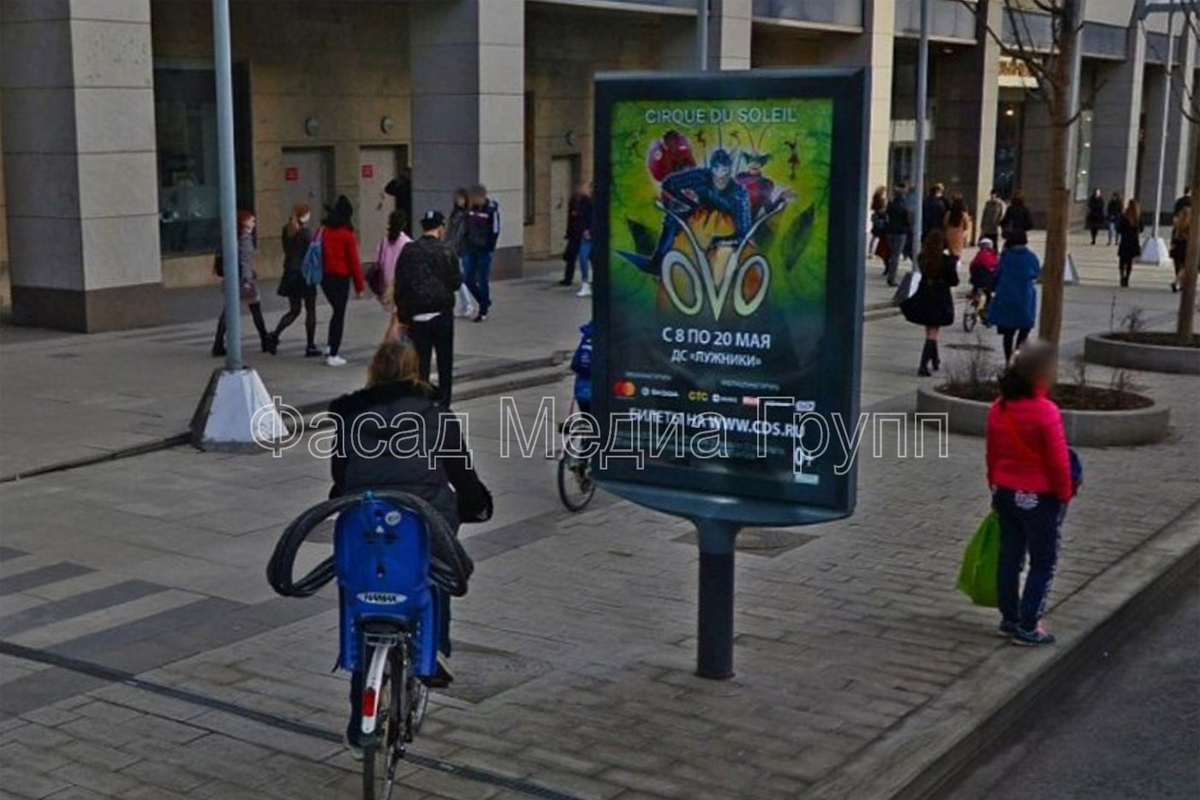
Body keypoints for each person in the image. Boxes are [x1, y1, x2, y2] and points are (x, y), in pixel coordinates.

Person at [329, 338, 492, 753]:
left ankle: (360, 714)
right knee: (437, 569)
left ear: (373, 372)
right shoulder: (437, 416)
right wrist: (477, 505)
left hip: (365, 526)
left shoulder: (351, 418)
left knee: (363, 600)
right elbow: (463, 476)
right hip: (423, 524)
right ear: (415, 372)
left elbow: (341, 476)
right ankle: (435, 649)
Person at [986, 340, 1073, 646]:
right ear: (1041, 375)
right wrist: (1064, 493)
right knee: (1043, 561)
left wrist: (993, 484)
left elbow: (992, 452)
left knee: (1009, 557)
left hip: (1005, 492)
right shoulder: (1046, 411)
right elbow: (1058, 460)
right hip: (1040, 497)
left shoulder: (999, 408)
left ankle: (1009, 618)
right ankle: (1028, 624)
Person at [392, 210, 464, 404]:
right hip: (442, 314)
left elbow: (400, 284)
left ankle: (421, 402)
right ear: (440, 228)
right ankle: (444, 402)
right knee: (444, 362)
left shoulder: (409, 251)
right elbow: (457, 282)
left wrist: (403, 316)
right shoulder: (446, 250)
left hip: (416, 316)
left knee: (420, 364)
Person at [212, 209, 272, 358]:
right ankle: (264, 339)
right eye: (252, 220)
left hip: (231, 279)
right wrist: (247, 280)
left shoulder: (231, 237)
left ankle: (218, 342)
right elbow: (245, 262)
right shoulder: (245, 239)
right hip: (243, 281)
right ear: (244, 222)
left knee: (228, 311)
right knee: (255, 309)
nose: (254, 223)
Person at [900, 229, 959, 376]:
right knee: (932, 332)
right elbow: (954, 281)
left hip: (924, 294)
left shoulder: (922, 258)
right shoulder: (947, 261)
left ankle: (935, 359)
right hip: (940, 297)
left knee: (930, 329)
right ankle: (923, 365)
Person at [270, 202, 319, 357]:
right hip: (304, 275)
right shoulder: (307, 234)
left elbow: (287, 249)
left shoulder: (287, 230)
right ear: (304, 215)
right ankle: (310, 345)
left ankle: (274, 335)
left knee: (294, 310)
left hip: (290, 273)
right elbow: (312, 254)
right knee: (310, 310)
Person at [320, 196, 365, 366]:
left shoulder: (325, 231)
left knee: (335, 312)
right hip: (340, 278)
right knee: (339, 314)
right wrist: (359, 286)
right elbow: (354, 262)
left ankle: (330, 345)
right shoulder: (347, 235)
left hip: (325, 277)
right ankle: (333, 353)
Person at [987, 235, 1041, 361]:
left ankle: (1008, 360)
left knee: (1008, 334)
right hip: (1025, 299)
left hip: (1007, 298)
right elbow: (1036, 273)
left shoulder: (1006, 258)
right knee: (1024, 330)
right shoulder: (1031, 257)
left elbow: (996, 275)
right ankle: (1017, 357)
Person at [463, 184, 500, 322]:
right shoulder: (471, 210)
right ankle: (484, 300)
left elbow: (495, 230)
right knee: (468, 279)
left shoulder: (491, 211)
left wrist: (490, 246)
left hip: (484, 249)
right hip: (471, 247)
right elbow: (466, 227)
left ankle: (483, 310)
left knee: (483, 280)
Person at [445, 188, 476, 318]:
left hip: (459, 250)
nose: (458, 200)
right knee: (455, 277)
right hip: (452, 248)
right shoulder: (455, 213)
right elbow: (450, 232)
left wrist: (451, 247)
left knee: (458, 277)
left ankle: (467, 304)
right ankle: (465, 305)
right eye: (457, 198)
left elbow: (459, 235)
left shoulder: (466, 216)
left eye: (461, 198)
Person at [560, 181, 594, 297]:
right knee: (574, 257)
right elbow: (570, 219)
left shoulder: (589, 202)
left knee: (587, 257)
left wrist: (589, 230)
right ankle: (574, 279)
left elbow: (592, 217)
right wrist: (568, 232)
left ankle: (588, 282)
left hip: (586, 234)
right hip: (576, 234)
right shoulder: (573, 201)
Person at [374, 210, 411, 314]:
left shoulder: (384, 242)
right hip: (401, 281)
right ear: (404, 224)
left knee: (394, 313)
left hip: (386, 280)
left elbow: (379, 261)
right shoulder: (407, 242)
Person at [884, 184, 913, 287]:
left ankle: (890, 274)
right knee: (896, 255)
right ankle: (891, 278)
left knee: (893, 254)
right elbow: (907, 220)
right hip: (900, 232)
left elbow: (887, 216)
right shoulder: (904, 206)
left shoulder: (891, 204)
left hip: (890, 231)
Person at [1115, 199, 1142, 288]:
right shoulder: (1137, 218)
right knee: (1129, 262)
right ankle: (1127, 277)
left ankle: (1121, 276)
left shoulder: (1124, 217)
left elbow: (1119, 229)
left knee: (1122, 261)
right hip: (1133, 242)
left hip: (1125, 241)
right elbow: (1141, 229)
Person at [570, 321, 594, 415]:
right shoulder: (610, 334)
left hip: (582, 392)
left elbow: (575, 364)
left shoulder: (588, 335)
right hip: (598, 393)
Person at [943, 194, 972, 261]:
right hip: (959, 234)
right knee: (957, 254)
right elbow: (967, 226)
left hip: (949, 234)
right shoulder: (963, 214)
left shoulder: (949, 213)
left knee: (951, 253)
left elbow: (944, 224)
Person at [1170, 205, 1191, 293]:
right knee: (1186, 267)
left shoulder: (1178, 225)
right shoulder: (1189, 226)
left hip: (1178, 248)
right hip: (1186, 247)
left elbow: (1173, 238)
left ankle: (1181, 284)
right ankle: (1176, 282)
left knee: (1181, 267)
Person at [869, 185, 889, 272]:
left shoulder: (876, 199)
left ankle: (870, 251)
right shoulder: (882, 201)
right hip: (881, 219)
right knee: (879, 237)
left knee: (874, 237)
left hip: (877, 219)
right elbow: (884, 209)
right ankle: (874, 252)